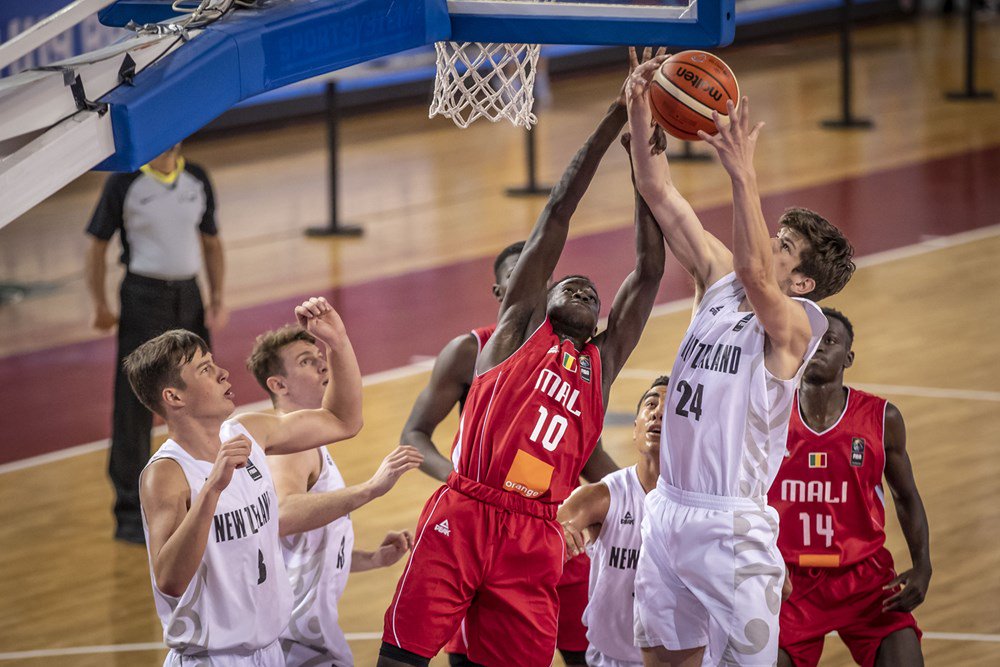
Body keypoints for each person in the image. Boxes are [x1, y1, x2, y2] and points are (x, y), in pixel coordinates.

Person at [379, 49, 667, 667]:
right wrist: (614, 119)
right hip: (468, 508)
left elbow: (648, 271)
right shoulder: (508, 338)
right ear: (534, 300)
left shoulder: (601, 363)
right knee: (401, 658)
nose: (585, 288)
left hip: (537, 530)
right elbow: (557, 212)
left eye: (594, 290)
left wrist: (645, 160)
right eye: (571, 284)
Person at [625, 56, 856, 666]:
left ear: (803, 282)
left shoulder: (801, 326)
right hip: (668, 508)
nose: (769, 246)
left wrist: (742, 174)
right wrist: (640, 104)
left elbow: (758, 274)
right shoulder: (721, 280)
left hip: (732, 527)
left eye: (786, 248)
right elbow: (658, 191)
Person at [403, 249, 619, 667]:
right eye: (520, 274)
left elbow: (592, 461)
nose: (536, 280)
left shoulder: (576, 362)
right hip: (481, 525)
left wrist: (649, 495)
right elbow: (413, 433)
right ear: (501, 288)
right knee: (468, 655)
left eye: (544, 274)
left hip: (553, 525)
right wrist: (468, 484)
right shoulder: (473, 349)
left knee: (585, 654)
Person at [129, 296, 361, 665]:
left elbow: (343, 421)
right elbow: (169, 579)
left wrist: (338, 342)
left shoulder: (249, 432)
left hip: (270, 651)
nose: (222, 373)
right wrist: (212, 490)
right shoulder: (167, 473)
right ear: (174, 397)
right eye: (204, 370)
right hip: (213, 658)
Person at [246, 325, 424, 666]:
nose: (322, 366)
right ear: (278, 385)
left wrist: (370, 559)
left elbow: (306, 547)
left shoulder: (306, 440)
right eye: (306, 361)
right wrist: (370, 488)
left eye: (320, 358)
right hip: (293, 640)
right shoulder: (288, 450)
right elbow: (282, 515)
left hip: (303, 637)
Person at [769, 307, 930, 667]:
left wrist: (923, 565)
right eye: (809, 339)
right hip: (789, 582)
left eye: (829, 341)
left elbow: (906, 496)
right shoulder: (769, 415)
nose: (817, 347)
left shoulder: (881, 418)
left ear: (849, 357)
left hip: (863, 578)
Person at [85, 142, 228, 543]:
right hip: (142, 297)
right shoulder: (124, 182)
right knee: (133, 405)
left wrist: (216, 298)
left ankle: (204, 493)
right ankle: (131, 511)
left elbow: (212, 242)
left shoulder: (196, 178)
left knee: (201, 395)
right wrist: (100, 302)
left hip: (189, 297)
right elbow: (96, 245)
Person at [559, 375, 669, 667]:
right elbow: (553, 529)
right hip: (614, 659)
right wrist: (558, 533)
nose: (658, 412)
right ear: (635, 428)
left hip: (685, 658)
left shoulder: (702, 503)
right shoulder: (604, 496)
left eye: (670, 407)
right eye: (651, 404)